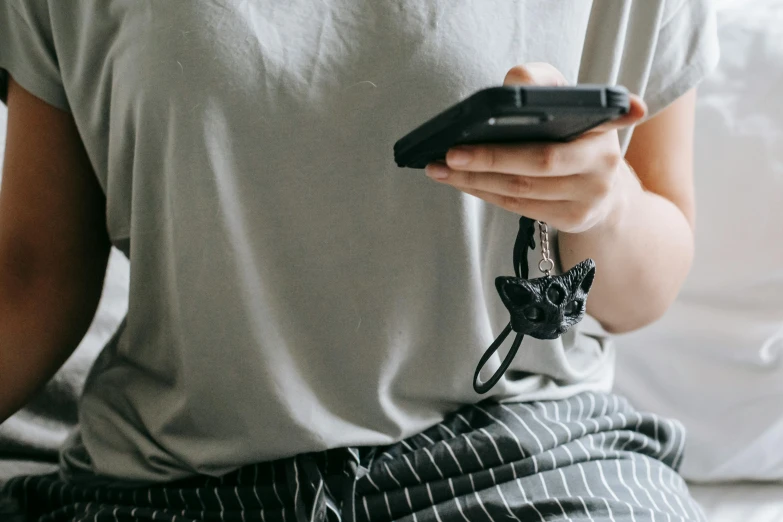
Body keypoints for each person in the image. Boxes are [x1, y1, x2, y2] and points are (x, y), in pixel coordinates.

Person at [0, 1, 719, 520]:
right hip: (176, 484)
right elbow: (35, 274)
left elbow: (637, 294)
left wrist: (606, 206)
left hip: (526, 463)